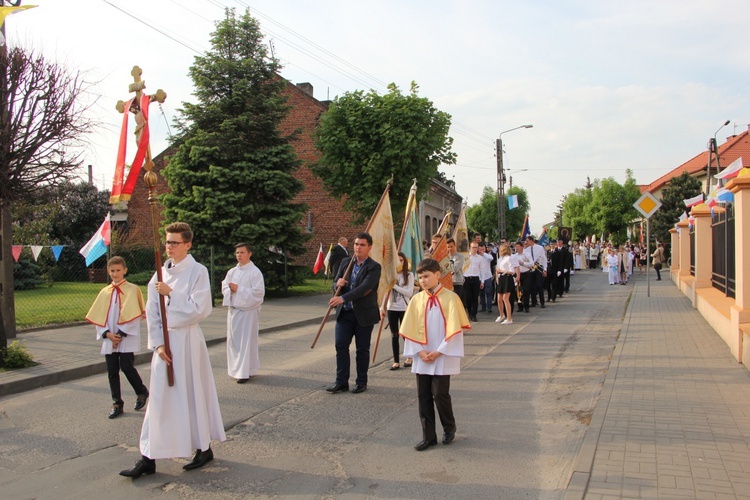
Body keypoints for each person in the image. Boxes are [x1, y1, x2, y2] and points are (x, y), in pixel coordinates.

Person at [120, 222, 226, 479]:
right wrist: (157, 343)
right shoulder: (159, 273)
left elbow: (200, 309)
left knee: (191, 394)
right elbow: (152, 313)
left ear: (187, 245)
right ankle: (148, 456)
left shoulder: (197, 271)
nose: (169, 247)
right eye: (167, 242)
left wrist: (172, 294)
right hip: (165, 347)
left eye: (174, 242)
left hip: (187, 341)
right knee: (158, 399)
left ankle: (203, 448)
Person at [399, 258, 470, 451]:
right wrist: (420, 351)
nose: (422, 280)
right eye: (420, 277)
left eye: (426, 276)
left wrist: (438, 351)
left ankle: (449, 427)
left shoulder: (451, 298)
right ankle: (428, 436)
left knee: (440, 394)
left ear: (438, 275)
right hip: (422, 354)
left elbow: (456, 329)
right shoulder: (416, 300)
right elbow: (409, 329)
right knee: (423, 396)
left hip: (442, 354)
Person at [86, 256, 148, 419]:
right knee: (112, 371)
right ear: (108, 271)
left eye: (118, 270)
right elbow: (99, 316)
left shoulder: (133, 289)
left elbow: (135, 315)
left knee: (127, 367)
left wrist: (120, 335)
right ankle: (117, 403)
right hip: (109, 337)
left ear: (125, 270)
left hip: (125, 337)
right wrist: (107, 334)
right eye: (112, 271)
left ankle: (141, 391)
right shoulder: (104, 292)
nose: (115, 274)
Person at [326, 232, 381, 394]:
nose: (358, 247)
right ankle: (341, 381)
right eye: (356, 244)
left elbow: (365, 288)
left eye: (362, 245)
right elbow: (335, 283)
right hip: (345, 314)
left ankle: (361, 381)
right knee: (341, 346)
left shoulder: (374, 267)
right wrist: (338, 284)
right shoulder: (345, 262)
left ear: (369, 247)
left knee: (362, 349)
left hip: (363, 314)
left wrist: (342, 297)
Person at [222, 242, 265, 383]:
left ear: (249, 254)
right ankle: (241, 369)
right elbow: (225, 287)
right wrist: (230, 289)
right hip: (234, 312)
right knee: (234, 342)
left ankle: (244, 372)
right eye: (237, 253)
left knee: (246, 342)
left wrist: (239, 290)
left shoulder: (255, 272)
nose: (239, 255)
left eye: (242, 252)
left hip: (248, 313)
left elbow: (258, 294)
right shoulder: (232, 272)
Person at [380, 252, 415, 370]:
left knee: (405, 334)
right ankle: (396, 361)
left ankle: (410, 357)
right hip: (392, 307)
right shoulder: (390, 275)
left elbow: (409, 292)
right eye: (397, 260)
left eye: (401, 260)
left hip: (404, 307)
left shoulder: (409, 275)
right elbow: (385, 292)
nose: (399, 262)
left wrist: (394, 286)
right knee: (394, 335)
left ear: (404, 262)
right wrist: (382, 307)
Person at [462, 241, 490, 322]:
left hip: (475, 278)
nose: (475, 249)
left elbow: (482, 270)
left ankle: (474, 314)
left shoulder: (480, 258)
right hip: (466, 278)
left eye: (476, 247)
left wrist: (482, 281)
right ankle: (469, 312)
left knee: (475, 297)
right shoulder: (466, 257)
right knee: (468, 297)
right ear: (470, 248)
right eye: (473, 247)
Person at [495, 244, 518, 324]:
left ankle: (509, 318)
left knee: (505, 299)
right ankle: (501, 315)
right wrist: (497, 276)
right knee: (499, 299)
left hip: (507, 278)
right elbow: (497, 268)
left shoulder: (509, 258)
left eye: (501, 250)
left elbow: (512, 271)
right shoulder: (500, 259)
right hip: (500, 278)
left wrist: (502, 271)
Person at [523, 235, 547, 310]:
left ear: (531, 240)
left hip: (538, 268)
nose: (526, 242)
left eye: (527, 241)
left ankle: (542, 302)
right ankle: (533, 302)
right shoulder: (526, 250)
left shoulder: (540, 248)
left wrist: (545, 269)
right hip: (530, 269)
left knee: (539, 286)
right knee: (532, 286)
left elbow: (544, 259)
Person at [446, 238, 465, 303]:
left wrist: (447, 263)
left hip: (457, 282)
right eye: (448, 247)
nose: (450, 248)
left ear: (455, 246)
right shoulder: (445, 256)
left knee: (456, 302)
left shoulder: (460, 256)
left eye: (451, 246)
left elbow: (455, 269)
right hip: (446, 282)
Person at [477, 243, 494, 315]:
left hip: (487, 277)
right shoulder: (477, 256)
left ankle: (489, 307)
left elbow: (491, 258)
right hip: (480, 277)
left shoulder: (487, 256)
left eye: (483, 249)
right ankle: (483, 306)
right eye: (480, 249)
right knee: (481, 293)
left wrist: (483, 253)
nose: (481, 250)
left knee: (488, 292)